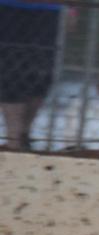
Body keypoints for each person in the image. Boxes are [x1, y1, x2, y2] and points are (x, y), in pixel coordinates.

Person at [0, 1, 63, 150]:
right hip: (9, 7)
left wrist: (72, 9)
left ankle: (23, 134)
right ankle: (13, 140)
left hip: (49, 8)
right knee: (11, 74)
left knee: (41, 77)